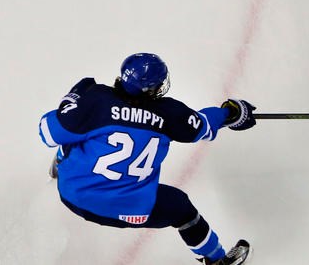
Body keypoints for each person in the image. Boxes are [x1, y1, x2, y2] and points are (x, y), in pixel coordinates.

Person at [38, 53, 256, 265]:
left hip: (72, 195)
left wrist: (71, 101)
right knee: (181, 209)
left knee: (74, 134)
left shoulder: (95, 100)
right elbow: (204, 126)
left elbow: (47, 133)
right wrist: (230, 113)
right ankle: (216, 260)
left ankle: (59, 167)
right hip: (131, 209)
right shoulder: (170, 114)